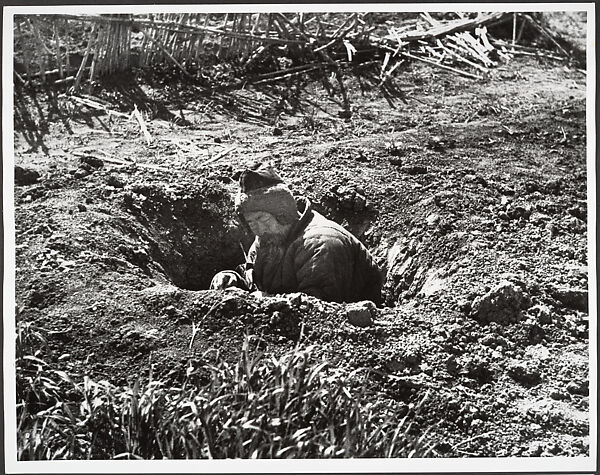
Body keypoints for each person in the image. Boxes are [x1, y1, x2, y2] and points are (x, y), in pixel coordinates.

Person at [210, 166, 383, 304]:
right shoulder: (266, 239)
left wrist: (261, 301)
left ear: (283, 212)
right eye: (251, 222)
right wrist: (233, 281)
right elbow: (254, 283)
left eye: (262, 218)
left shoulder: (321, 243)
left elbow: (318, 309)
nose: (257, 229)